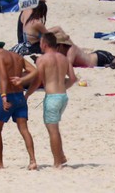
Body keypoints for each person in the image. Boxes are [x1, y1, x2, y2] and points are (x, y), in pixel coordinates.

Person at [16, 32, 75, 168]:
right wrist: (63, 87)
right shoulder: (64, 58)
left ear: (45, 44)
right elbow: (72, 78)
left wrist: (27, 95)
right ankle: (61, 156)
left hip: (52, 97)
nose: (40, 45)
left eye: (41, 42)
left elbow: (37, 81)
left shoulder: (42, 59)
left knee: (52, 130)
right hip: (63, 96)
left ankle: (57, 162)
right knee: (55, 128)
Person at [0, 41, 37, 170]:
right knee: (24, 129)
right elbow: (35, 71)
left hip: (8, 95)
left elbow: (3, 78)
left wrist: (3, 97)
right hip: (20, 95)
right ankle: (32, 160)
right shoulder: (17, 56)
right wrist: (23, 81)